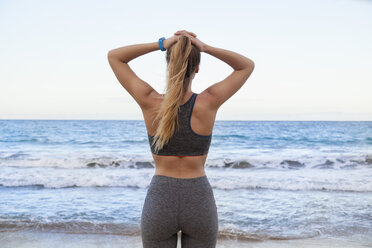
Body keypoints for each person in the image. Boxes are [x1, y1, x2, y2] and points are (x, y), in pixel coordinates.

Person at [107, 30, 254, 248]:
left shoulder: (149, 101)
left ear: (169, 65)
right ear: (196, 69)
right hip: (198, 199)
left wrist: (162, 44)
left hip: (160, 198)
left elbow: (115, 56)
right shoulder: (209, 101)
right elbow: (246, 65)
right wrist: (206, 47)